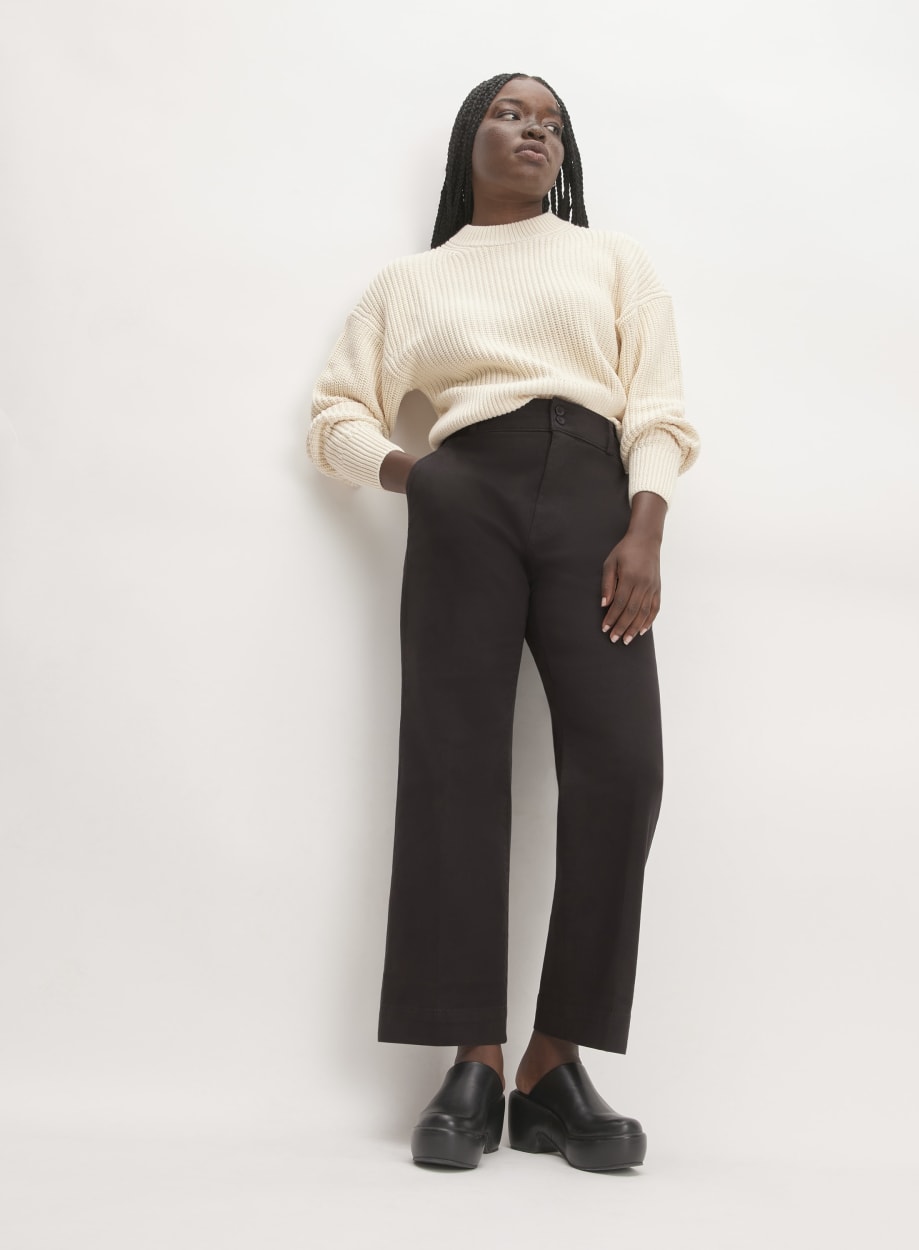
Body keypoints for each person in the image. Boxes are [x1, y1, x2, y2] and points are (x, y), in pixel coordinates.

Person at [307, 71, 700, 1172]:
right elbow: (334, 414)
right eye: (510, 114)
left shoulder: (611, 259)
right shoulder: (411, 282)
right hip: (463, 495)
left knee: (623, 767)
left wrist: (645, 525)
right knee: (454, 767)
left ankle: (551, 1065)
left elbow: (659, 406)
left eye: (552, 123)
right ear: (468, 138)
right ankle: (472, 1059)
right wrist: (416, 477)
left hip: (593, 500)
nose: (534, 131)